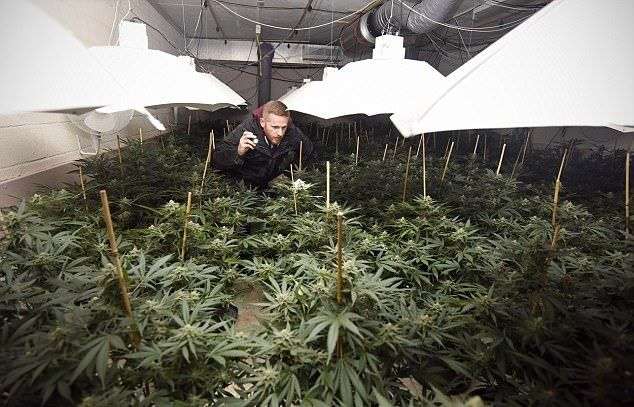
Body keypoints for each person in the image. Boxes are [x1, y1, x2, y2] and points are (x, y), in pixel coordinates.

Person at [214, 100, 313, 188]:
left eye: (283, 127)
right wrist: (238, 152)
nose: (280, 133)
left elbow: (309, 153)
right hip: (245, 190)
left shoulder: (292, 131)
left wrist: (289, 175)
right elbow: (217, 159)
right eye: (275, 127)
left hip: (275, 190)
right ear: (262, 122)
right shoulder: (247, 129)